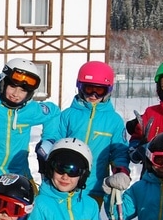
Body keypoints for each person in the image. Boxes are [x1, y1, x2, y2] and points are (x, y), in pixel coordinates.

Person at [50, 60, 131, 205]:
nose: (93, 95)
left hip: (94, 187)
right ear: (80, 87)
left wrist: (121, 171)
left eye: (99, 90)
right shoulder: (68, 115)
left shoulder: (114, 120)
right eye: (88, 89)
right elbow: (55, 141)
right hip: (66, 181)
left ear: (108, 91)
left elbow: (119, 150)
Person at [0, 58, 61, 182]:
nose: (16, 94)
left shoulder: (30, 110)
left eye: (23, 90)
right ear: (2, 83)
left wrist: (49, 140)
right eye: (12, 86)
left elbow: (54, 112)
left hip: (20, 176)